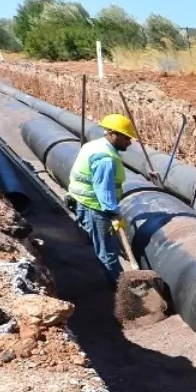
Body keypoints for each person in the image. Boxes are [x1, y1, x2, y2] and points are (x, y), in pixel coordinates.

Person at [67, 114, 137, 285]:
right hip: (95, 207)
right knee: (108, 251)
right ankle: (122, 291)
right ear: (113, 134)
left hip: (82, 201)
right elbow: (103, 189)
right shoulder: (106, 158)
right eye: (126, 138)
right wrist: (114, 213)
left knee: (100, 244)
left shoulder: (93, 145)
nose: (129, 142)